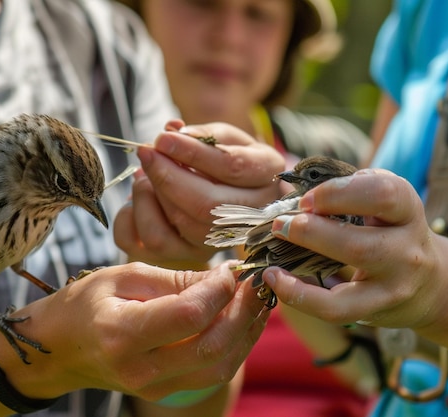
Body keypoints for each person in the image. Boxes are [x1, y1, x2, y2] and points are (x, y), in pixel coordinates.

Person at [0, 0, 284, 416]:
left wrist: (179, 251)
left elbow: (182, 405)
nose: (76, 205)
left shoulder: (111, 40)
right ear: (31, 165)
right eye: (64, 187)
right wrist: (9, 355)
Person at [113, 0, 376, 415]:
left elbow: (408, 365)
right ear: (135, 11)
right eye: (202, 4)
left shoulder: (344, 158)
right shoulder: (93, 184)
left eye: (258, 13)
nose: (228, 36)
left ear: (292, 33)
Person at [257, 0, 448, 415]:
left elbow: (407, 274)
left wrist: (446, 290)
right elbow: (365, 275)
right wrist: (266, 224)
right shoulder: (430, 10)